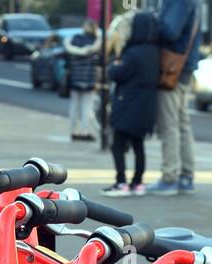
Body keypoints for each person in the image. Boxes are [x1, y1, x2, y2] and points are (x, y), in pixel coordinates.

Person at [149, 0, 201, 195]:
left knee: (169, 124)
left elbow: (170, 32)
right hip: (184, 67)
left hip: (172, 68)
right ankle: (186, 176)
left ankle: (169, 177)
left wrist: (153, 21)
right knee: (182, 123)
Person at [105, 9, 158, 197]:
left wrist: (113, 66)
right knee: (138, 145)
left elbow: (117, 74)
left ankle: (121, 182)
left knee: (117, 145)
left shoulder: (132, 53)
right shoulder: (154, 52)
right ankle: (138, 182)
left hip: (128, 104)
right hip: (147, 105)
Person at [63, 20, 99, 142]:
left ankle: (73, 131)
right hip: (89, 79)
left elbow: (67, 58)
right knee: (87, 107)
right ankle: (85, 132)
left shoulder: (74, 40)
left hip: (75, 78)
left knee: (74, 106)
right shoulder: (95, 42)